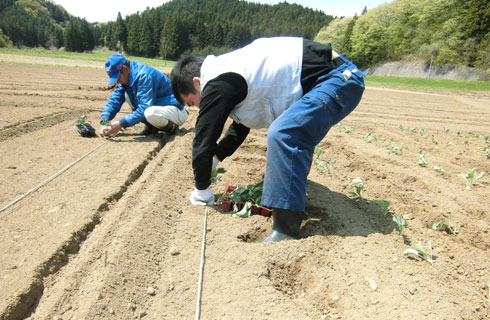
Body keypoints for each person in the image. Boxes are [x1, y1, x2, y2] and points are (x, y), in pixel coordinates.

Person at [171, 37, 366, 243]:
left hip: (339, 79)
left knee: (283, 133)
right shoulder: (231, 73)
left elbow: (203, 139)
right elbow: (241, 126)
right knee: (290, 131)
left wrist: (201, 191)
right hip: (331, 78)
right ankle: (291, 202)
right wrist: (216, 158)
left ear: (197, 82)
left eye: (193, 102)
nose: (200, 108)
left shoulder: (217, 80)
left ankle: (286, 230)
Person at [99, 53, 188, 137]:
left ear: (126, 69)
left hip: (176, 111)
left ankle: (172, 129)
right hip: (160, 110)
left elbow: (145, 107)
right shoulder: (127, 79)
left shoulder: (144, 75)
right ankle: (151, 128)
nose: (117, 81)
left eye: (117, 77)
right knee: (128, 96)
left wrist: (121, 124)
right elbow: (114, 101)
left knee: (149, 113)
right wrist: (105, 122)